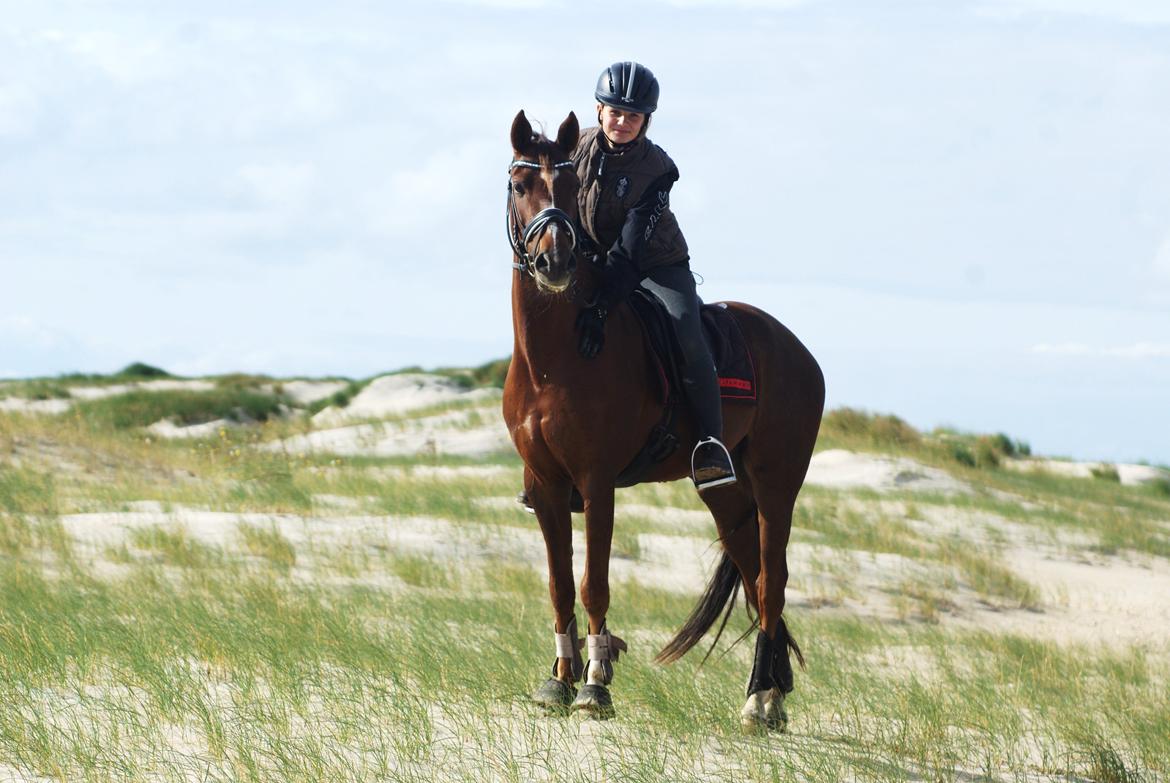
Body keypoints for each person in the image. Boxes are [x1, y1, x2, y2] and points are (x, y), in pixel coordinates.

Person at [573, 61, 736, 491]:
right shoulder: (575, 148)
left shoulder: (658, 168)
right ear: (598, 109)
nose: (623, 122)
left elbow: (630, 251)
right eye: (615, 112)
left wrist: (603, 306)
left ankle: (710, 445)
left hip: (655, 264)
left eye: (634, 116)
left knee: (686, 329)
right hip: (597, 258)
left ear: (647, 120)